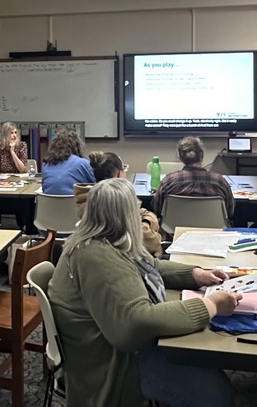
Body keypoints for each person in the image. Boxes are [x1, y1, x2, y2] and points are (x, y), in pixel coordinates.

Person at [48, 178, 240, 407]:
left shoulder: (105, 239)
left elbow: (152, 266)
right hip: (115, 363)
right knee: (215, 396)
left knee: (205, 366)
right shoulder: (96, 256)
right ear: (125, 215)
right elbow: (135, 322)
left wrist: (195, 274)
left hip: (115, 349)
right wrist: (212, 305)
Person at [76, 151, 163, 258]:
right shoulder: (117, 206)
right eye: (124, 169)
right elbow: (153, 243)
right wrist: (146, 223)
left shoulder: (89, 200)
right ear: (120, 175)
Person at [150, 136, 235, 224]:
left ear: (180, 158)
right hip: (214, 233)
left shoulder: (168, 181)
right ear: (202, 155)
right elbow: (230, 212)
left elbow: (157, 209)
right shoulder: (220, 181)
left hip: (173, 233)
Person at [40, 130, 95, 195]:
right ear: (77, 146)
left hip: (47, 204)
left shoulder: (46, 164)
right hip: (74, 204)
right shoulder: (83, 163)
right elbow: (96, 186)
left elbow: (44, 188)